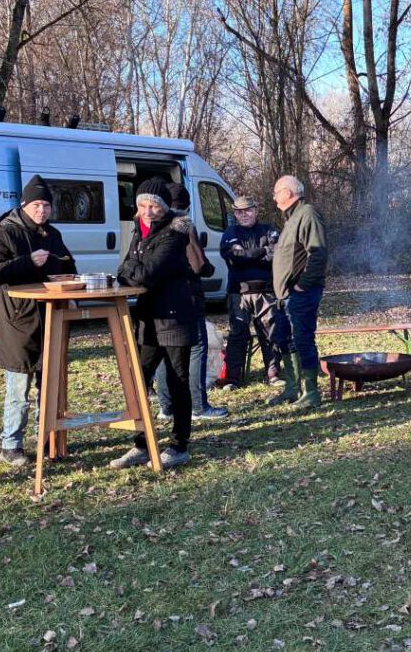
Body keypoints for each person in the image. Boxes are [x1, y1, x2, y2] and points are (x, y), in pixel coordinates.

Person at [0, 175, 77, 467]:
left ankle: (47, 439)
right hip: (18, 323)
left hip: (51, 318)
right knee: (18, 388)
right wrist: (26, 262)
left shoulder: (53, 234)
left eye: (47, 205)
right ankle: (11, 445)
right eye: (37, 204)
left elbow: (67, 264)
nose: (42, 210)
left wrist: (70, 279)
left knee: (49, 386)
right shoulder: (5, 233)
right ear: (24, 205)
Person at [109, 184, 196, 470]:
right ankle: (141, 444)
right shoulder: (139, 230)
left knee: (177, 381)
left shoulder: (175, 233)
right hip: (147, 318)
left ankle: (178, 445)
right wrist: (134, 267)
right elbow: (123, 270)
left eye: (154, 206)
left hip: (174, 318)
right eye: (143, 205)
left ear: (165, 207)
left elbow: (145, 275)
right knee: (140, 380)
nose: (147, 212)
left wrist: (134, 268)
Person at [152, 182, 227, 420]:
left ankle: (166, 407)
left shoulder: (153, 225)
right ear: (186, 205)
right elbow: (198, 264)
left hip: (161, 299)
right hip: (187, 297)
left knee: (165, 350)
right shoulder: (183, 224)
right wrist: (208, 267)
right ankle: (198, 407)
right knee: (196, 348)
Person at [270, 175, 328, 408]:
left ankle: (312, 393)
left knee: (303, 338)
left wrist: (302, 285)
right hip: (285, 296)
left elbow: (318, 253)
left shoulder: (308, 214)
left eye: (276, 193)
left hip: (302, 293)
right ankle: (293, 389)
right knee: (285, 339)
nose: (274, 198)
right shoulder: (292, 217)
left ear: (288, 192)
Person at [219, 195, 287, 388]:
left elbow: (278, 254)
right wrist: (262, 251)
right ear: (235, 214)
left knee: (270, 332)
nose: (244, 215)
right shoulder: (230, 232)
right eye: (239, 212)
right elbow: (234, 256)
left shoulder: (269, 229)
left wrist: (252, 254)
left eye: (248, 210)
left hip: (266, 292)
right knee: (238, 333)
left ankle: (273, 373)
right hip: (238, 293)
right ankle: (232, 379)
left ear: (256, 210)